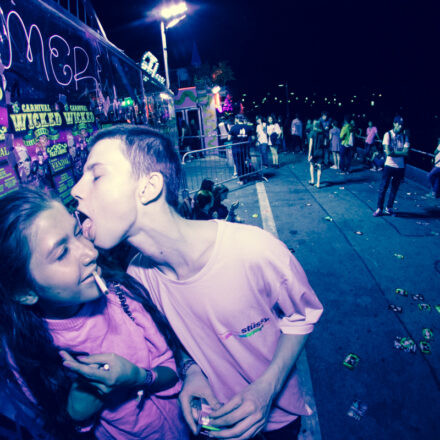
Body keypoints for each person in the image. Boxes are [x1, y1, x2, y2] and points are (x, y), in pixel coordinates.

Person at [71, 125, 323, 440]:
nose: (76, 189)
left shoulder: (254, 249)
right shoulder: (138, 277)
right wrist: (192, 373)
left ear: (148, 187)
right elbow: (174, 342)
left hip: (276, 420)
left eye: (96, 176)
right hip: (213, 423)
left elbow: (303, 316)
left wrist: (266, 389)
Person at [0, 187, 190, 439]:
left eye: (78, 232)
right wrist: (76, 415)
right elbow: (53, 426)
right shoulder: (27, 355)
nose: (91, 253)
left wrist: (139, 377)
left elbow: (171, 370)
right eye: (62, 253)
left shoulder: (121, 296)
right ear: (24, 291)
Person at [373, 116, 410, 216]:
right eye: (399, 124)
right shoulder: (388, 134)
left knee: (394, 188)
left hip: (400, 167)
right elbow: (388, 152)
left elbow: (406, 152)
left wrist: (394, 152)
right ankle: (379, 208)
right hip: (389, 165)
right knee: (383, 187)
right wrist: (400, 153)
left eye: (402, 124)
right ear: (394, 123)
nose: (400, 126)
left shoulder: (404, 137)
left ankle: (389, 207)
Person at [229, 114, 253, 184]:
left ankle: (241, 180)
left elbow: (229, 138)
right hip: (245, 148)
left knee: (238, 164)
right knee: (243, 163)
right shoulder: (248, 127)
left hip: (236, 149)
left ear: (237, 119)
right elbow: (251, 137)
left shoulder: (233, 127)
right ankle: (245, 177)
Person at [308, 120, 325, 188]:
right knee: (319, 167)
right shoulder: (323, 133)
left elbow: (311, 144)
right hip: (320, 151)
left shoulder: (312, 133)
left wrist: (309, 154)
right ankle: (318, 183)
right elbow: (325, 143)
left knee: (311, 165)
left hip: (313, 152)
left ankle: (312, 180)